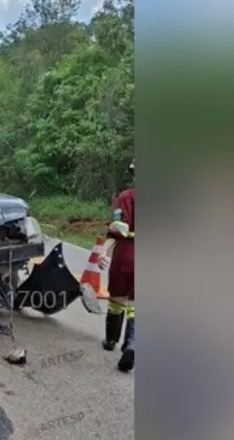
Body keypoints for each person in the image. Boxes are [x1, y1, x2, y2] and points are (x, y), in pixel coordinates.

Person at [100, 159, 135, 372]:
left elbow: (117, 229)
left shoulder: (126, 197)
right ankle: (132, 343)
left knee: (117, 298)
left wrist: (104, 250)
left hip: (126, 253)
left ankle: (111, 339)